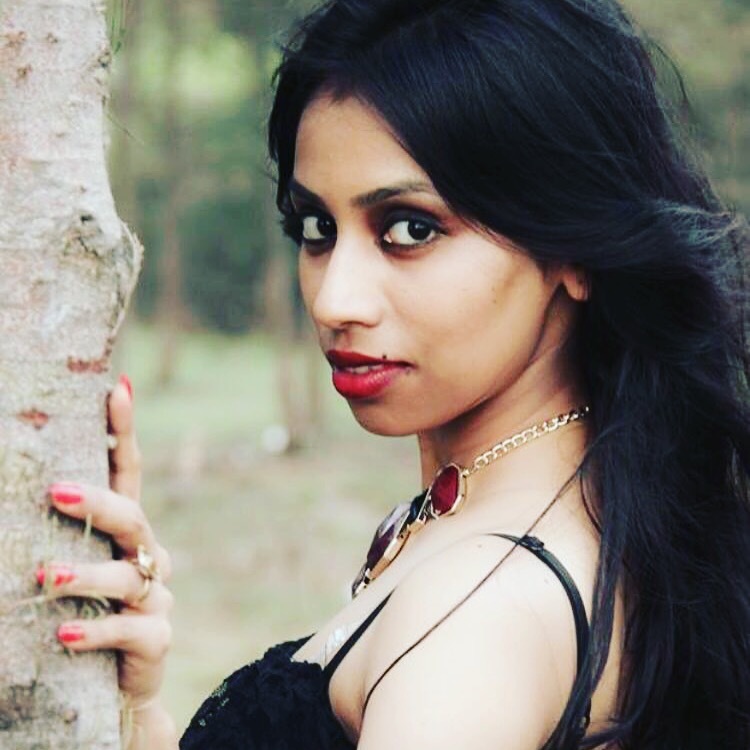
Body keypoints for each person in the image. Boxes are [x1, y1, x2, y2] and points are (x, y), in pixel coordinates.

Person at [40, 0, 750, 748]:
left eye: (411, 229)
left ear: (572, 249)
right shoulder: (585, 513)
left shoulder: (479, 620)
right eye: (317, 228)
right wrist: (136, 707)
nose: (334, 300)